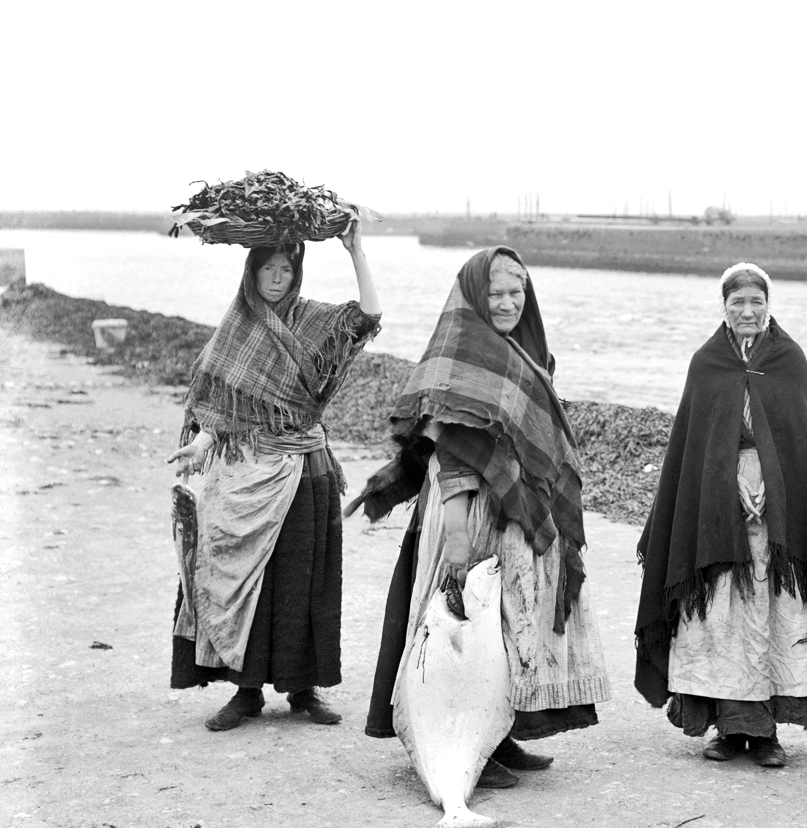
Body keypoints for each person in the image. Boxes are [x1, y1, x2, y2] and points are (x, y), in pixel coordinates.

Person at [354, 247, 610, 789]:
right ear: (473, 293)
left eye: (517, 292)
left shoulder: (520, 352)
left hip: (514, 514)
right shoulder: (462, 355)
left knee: (508, 630)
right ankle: (460, 742)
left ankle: (500, 735)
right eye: (495, 292)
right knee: (466, 632)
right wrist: (455, 535)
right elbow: (449, 448)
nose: (508, 302)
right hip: (470, 514)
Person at [634, 262, 807, 768]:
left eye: (756, 301)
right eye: (737, 302)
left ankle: (765, 733)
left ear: (768, 304)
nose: (747, 310)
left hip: (779, 519)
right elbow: (693, 447)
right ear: (723, 307)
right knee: (718, 620)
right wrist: (731, 486)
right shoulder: (706, 363)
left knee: (774, 616)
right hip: (718, 513)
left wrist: (775, 491)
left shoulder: (789, 359)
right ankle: (723, 727)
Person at [167, 227, 382, 731]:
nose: (278, 278)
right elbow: (219, 404)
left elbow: (368, 318)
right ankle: (245, 693)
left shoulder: (311, 320)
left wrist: (356, 251)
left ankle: (302, 691)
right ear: (252, 271)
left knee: (302, 583)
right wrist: (201, 442)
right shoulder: (237, 328)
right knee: (248, 577)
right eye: (269, 269)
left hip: (307, 469)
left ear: (297, 271)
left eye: (287, 269)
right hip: (248, 472)